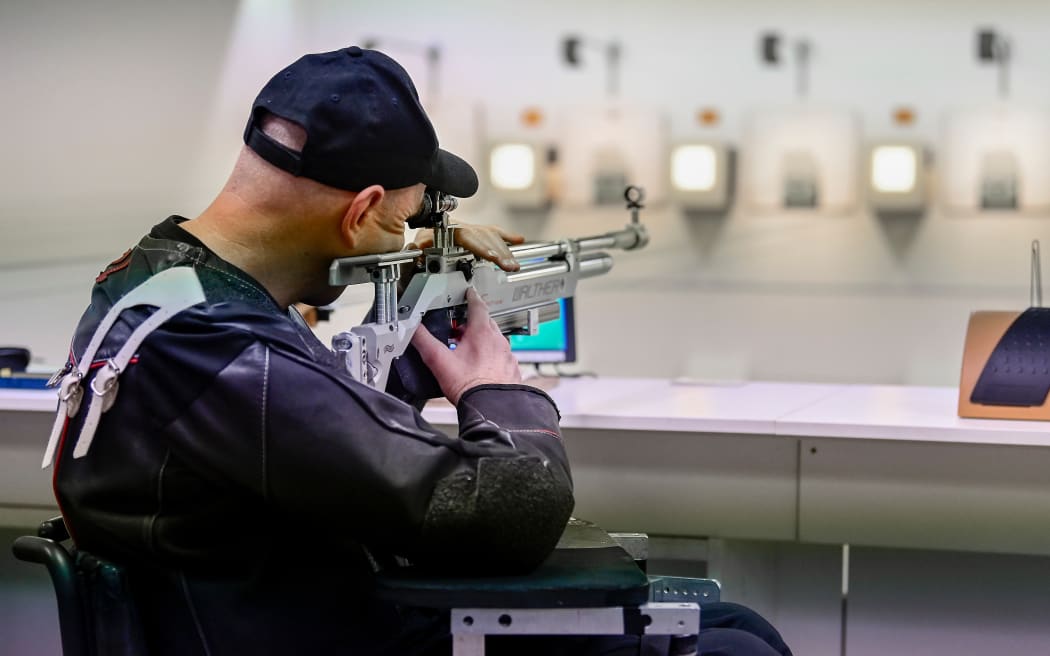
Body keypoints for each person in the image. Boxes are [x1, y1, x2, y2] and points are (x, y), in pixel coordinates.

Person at [47, 46, 791, 656]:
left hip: (297, 615)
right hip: (324, 637)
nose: (406, 238)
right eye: (400, 221)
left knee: (735, 630)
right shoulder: (215, 345)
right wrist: (499, 392)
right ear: (363, 208)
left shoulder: (166, 286)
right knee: (736, 650)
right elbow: (508, 517)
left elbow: (300, 440)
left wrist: (415, 330)